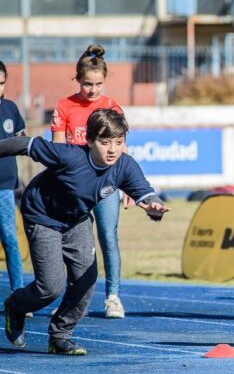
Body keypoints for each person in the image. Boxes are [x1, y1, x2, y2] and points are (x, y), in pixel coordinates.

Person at [1, 109, 169, 355]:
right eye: (104, 142)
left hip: (77, 219)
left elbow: (144, 193)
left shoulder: (124, 165)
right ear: (89, 141)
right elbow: (23, 144)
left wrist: (153, 206)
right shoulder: (69, 155)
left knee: (86, 278)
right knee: (51, 286)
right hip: (42, 216)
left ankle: (60, 335)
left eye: (119, 142)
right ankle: (15, 306)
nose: (112, 149)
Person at [51, 44, 129, 319]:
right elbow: (57, 154)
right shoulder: (64, 107)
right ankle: (74, 300)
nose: (93, 90)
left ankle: (113, 297)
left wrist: (129, 186)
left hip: (106, 185)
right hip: (75, 189)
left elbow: (122, 150)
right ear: (77, 79)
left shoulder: (111, 106)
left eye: (98, 84)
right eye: (87, 84)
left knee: (108, 237)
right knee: (75, 245)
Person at [0, 61, 25, 294]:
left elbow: (21, 139)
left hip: (5, 186)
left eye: (1, 83)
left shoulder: (10, 108)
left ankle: (19, 293)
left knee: (10, 237)